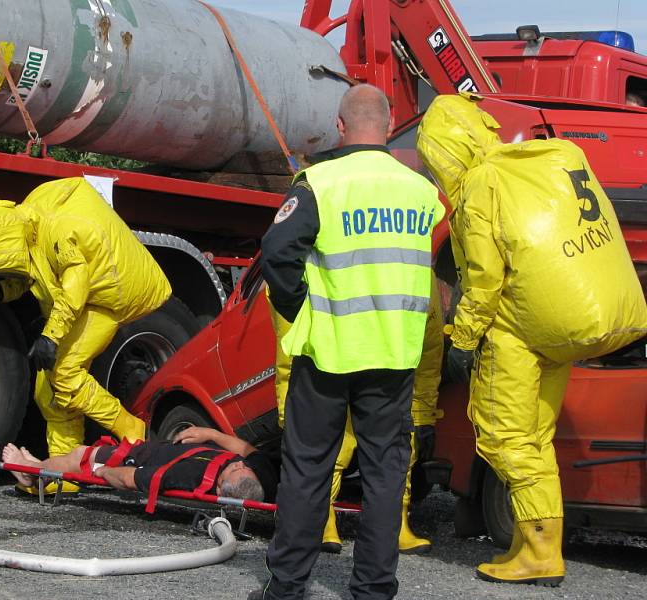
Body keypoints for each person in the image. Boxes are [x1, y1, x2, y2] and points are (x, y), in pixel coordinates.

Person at [416, 93, 647, 586]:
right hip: (553, 329)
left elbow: (483, 278)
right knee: (537, 439)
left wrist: (463, 339)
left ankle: (540, 549)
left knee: (508, 440)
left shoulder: (480, 185)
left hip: (515, 334)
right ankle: (533, 541)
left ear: (444, 150)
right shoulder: (533, 163)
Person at [252, 84, 444, 600]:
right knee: (385, 473)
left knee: (308, 468)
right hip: (393, 353)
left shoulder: (318, 183)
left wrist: (300, 310)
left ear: (340, 127)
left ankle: (288, 587)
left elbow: (276, 254)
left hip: (330, 350)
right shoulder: (420, 191)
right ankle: (375, 589)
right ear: (388, 126)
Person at [0, 177, 171, 493]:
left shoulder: (58, 233)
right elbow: (36, 275)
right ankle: (64, 473)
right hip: (84, 300)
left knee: (65, 372)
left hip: (105, 300)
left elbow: (73, 288)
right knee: (48, 391)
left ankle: (133, 431)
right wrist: (2, 291)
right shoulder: (28, 234)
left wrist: (51, 337)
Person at [267, 268, 444, 556]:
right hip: (335, 337)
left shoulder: (417, 267)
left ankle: (393, 524)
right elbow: (291, 352)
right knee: (331, 437)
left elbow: (429, 345)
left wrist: (424, 414)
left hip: (385, 352)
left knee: (397, 444)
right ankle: (322, 518)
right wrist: (292, 420)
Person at [0, 426, 277, 502]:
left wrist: (101, 472)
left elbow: (133, 479)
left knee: (81, 456)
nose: (239, 464)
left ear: (219, 487)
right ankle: (42, 466)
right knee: (79, 456)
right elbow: (245, 448)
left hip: (139, 457)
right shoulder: (261, 475)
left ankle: (33, 476)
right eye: (243, 467)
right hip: (159, 448)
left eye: (235, 468)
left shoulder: (187, 476)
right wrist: (211, 434)